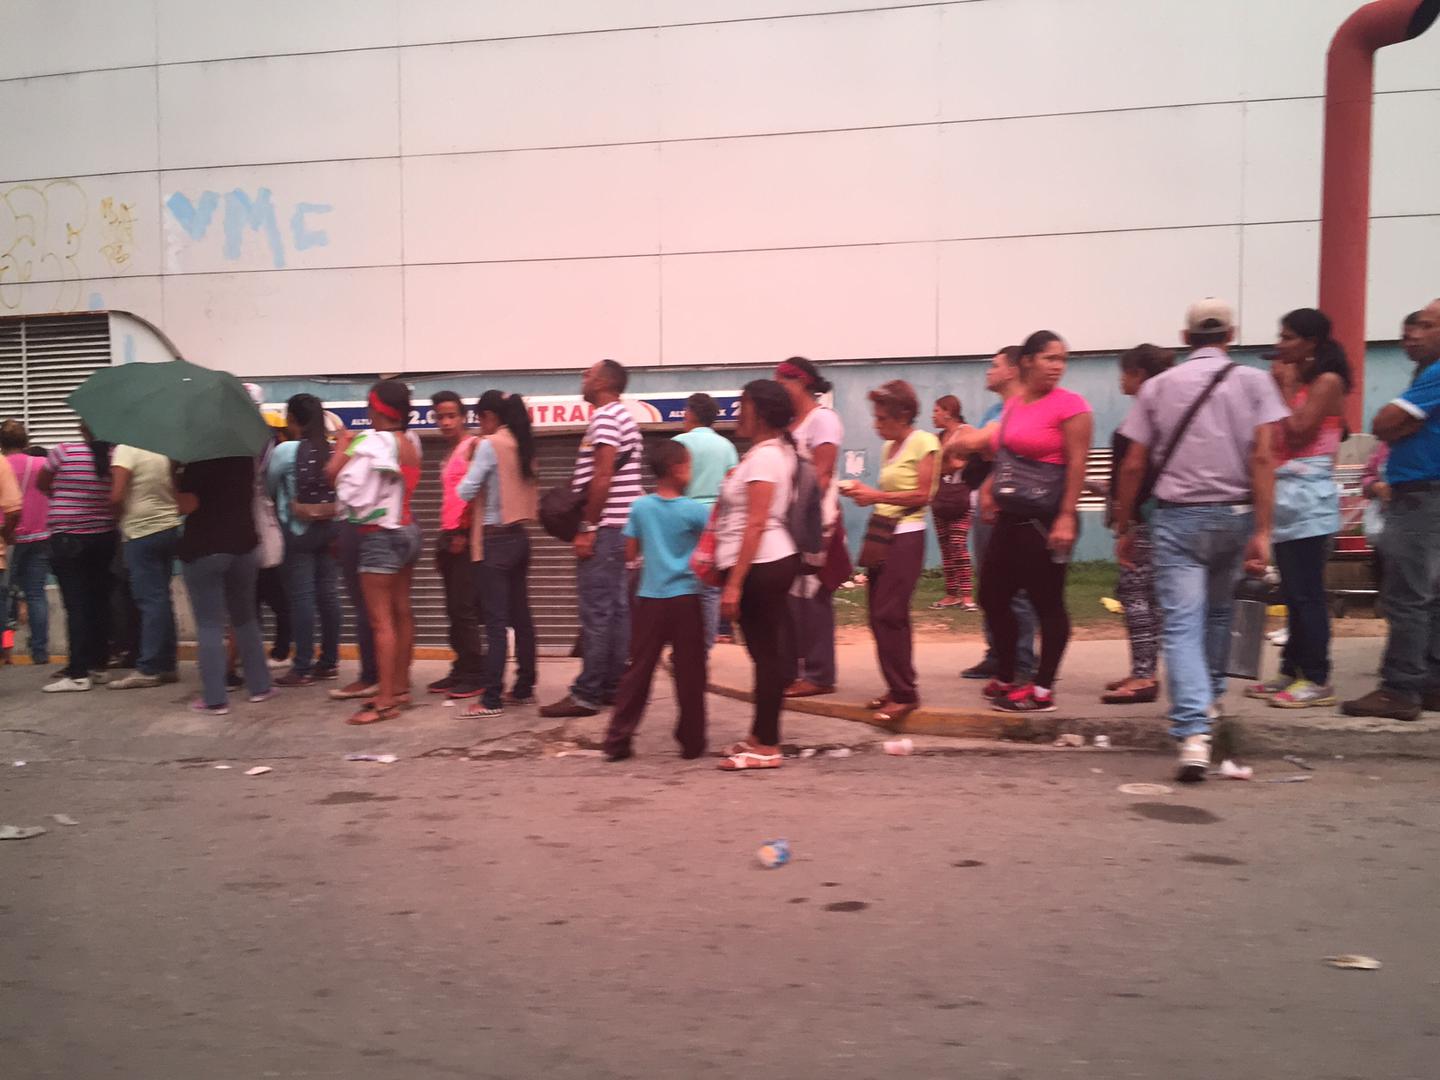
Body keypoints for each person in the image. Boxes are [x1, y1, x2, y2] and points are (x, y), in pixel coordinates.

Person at [1114, 298, 1288, 781]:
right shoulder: (1256, 382)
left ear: (1186, 338)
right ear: (1230, 334)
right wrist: (1262, 531)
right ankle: (1207, 704)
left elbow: (1132, 464)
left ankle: (1193, 733)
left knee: (1182, 624)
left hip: (1178, 520)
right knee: (1217, 614)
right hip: (1234, 515)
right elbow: (1263, 459)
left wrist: (1125, 525)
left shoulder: (1159, 387)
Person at [978, 331, 1093, 715]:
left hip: (1046, 520)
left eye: (1062, 359)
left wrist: (1065, 517)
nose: (1058, 366)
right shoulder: (1014, 405)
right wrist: (991, 489)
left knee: (1047, 604)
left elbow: (1078, 464)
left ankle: (1042, 689)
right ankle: (1009, 675)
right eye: (1049, 358)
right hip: (1011, 517)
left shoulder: (1072, 406)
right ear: (1027, 361)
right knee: (992, 597)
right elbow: (1005, 453)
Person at [1343, 298, 1440, 721]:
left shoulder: (1435, 375)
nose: (1414, 333)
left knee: (1405, 597)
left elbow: (1382, 423)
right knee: (1430, 595)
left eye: (1425, 326)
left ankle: (1400, 689)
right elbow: (1393, 424)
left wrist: (1402, 422)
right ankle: (1429, 683)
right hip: (1426, 493)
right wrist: (1404, 423)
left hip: (1420, 495)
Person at [1248, 309, 1351, 708]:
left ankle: (1319, 678)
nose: (1280, 344)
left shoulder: (1327, 382)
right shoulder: (1302, 381)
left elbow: (1298, 430)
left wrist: (1286, 388)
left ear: (1311, 343)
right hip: (1287, 499)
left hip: (1309, 502)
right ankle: (1291, 671)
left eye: (1289, 337)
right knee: (1291, 592)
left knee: (1308, 594)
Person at [540, 360, 643, 719]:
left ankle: (586, 694)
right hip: (620, 529)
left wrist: (587, 527)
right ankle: (611, 686)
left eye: (588, 373)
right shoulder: (624, 416)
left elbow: (602, 477)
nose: (582, 377)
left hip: (606, 529)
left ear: (604, 381)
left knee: (598, 612)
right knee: (615, 611)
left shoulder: (605, 418)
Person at [601, 440, 711, 762]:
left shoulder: (640, 507)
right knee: (691, 673)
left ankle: (618, 740)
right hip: (686, 599)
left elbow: (630, 553)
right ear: (677, 470)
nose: (690, 473)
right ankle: (692, 742)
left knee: (638, 671)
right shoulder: (695, 511)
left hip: (650, 599)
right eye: (689, 466)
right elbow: (710, 546)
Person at [714, 380, 801, 770]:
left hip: (764, 565)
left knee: (767, 657)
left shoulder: (767, 458)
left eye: (742, 404)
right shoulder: (765, 454)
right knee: (765, 655)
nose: (737, 412)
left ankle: (768, 746)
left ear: (760, 412)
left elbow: (757, 522)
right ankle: (759, 734)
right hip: (765, 563)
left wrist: (734, 583)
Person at [843, 380, 940, 724]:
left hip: (907, 536)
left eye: (882, 418)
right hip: (883, 534)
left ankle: (905, 692)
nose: (876, 424)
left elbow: (923, 495)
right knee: (876, 614)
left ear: (903, 415)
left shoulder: (925, 443)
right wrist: (865, 495)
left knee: (891, 613)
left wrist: (875, 497)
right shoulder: (889, 449)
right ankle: (896, 685)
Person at [334, 380, 423, 724]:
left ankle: (385, 701)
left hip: (379, 535)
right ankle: (399, 687)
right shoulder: (409, 443)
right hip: (409, 529)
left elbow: (335, 478)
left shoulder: (371, 440)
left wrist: (342, 445)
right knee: (403, 612)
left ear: (375, 409)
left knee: (380, 622)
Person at [955, 347, 1039, 682]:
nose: (988, 371)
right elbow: (967, 446)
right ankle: (996, 654)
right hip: (984, 507)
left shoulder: (1021, 408)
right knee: (990, 588)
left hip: (1012, 509)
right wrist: (975, 442)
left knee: (1015, 590)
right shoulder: (995, 408)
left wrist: (975, 441)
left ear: (1013, 370)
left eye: (995, 365)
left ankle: (1021, 662)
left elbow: (979, 444)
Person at [457, 390, 540, 719]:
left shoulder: (490, 445)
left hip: (494, 540)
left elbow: (465, 490)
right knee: (522, 617)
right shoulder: (523, 442)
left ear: (490, 417)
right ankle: (524, 687)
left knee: (494, 622)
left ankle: (491, 698)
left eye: (480, 419)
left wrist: (471, 454)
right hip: (520, 536)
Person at [1101, 344, 1175, 705]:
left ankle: (1145, 675)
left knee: (1137, 595)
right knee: (1147, 596)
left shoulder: (1141, 422)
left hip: (1145, 520)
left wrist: (1124, 524)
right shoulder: (1172, 416)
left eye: (1126, 372)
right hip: (1171, 516)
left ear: (1140, 376)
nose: (1122, 379)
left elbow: (1132, 472)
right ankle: (1142, 669)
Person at [176, 454, 276, 714]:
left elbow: (187, 505)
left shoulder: (198, 462)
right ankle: (260, 686)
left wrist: (170, 478)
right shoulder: (244, 459)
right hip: (244, 545)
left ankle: (215, 699)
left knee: (209, 624)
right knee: (245, 619)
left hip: (205, 549)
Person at [776, 356, 845, 698]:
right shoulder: (790, 424)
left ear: (800, 382)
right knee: (792, 598)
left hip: (816, 519)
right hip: (792, 519)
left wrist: (802, 519)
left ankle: (819, 674)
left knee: (814, 595)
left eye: (783, 382)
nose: (779, 389)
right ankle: (798, 668)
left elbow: (822, 473)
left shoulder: (823, 419)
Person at [266, 394, 342, 687]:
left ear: (292, 419)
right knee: (329, 595)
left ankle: (302, 667)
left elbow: (270, 487)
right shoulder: (330, 449)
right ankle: (330, 661)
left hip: (297, 531)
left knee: (302, 598)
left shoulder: (285, 451)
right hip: (329, 526)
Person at [37, 425, 118, 693]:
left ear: (83, 427)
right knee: (99, 601)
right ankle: (99, 665)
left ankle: (78, 673)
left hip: (68, 538)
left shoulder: (63, 452)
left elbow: (42, 483)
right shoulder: (113, 455)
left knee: (76, 604)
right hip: (105, 536)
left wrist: (63, 498)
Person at [106, 444, 181, 689]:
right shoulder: (162, 450)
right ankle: (167, 664)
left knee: (150, 600)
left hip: (141, 531)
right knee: (161, 598)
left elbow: (116, 496)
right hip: (168, 528)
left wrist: (118, 516)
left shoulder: (125, 451)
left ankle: (148, 667)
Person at [427, 390, 486, 698]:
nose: (446, 422)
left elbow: (475, 493)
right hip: (447, 534)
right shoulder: (449, 453)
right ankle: (461, 668)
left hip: (463, 536)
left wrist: (462, 532)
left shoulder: (472, 446)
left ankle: (475, 673)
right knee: (452, 608)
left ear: (464, 416)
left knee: (464, 608)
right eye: (440, 416)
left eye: (452, 415)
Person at [673, 392, 738, 649]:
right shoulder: (727, 446)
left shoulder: (679, 443)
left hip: (683, 515)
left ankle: (685, 645)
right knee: (711, 588)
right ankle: (706, 648)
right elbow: (734, 482)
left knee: (684, 584)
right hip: (716, 519)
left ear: (690, 413)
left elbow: (671, 479)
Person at [2, 421, 51, 666]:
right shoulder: (42, 464)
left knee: (5, 595)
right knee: (36, 594)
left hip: (8, 537)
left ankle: (5, 651)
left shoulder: (2, 466)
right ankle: (40, 652)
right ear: (26, 442)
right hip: (41, 536)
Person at [930, 395, 975, 610]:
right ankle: (951, 594)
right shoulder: (938, 437)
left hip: (962, 497)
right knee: (946, 548)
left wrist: (943, 461)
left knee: (958, 545)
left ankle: (967, 595)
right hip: (941, 498)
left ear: (948, 411)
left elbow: (958, 465)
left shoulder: (966, 433)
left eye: (936, 411)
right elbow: (934, 468)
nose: (933, 416)